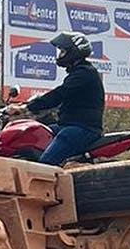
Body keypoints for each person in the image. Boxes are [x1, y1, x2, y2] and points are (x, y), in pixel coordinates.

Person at [10, 33, 105, 165]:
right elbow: (58, 97)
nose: (60, 54)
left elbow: (59, 95)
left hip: (82, 129)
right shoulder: (79, 72)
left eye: (63, 51)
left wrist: (26, 108)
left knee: (45, 164)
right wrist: (29, 106)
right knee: (36, 132)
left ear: (73, 53)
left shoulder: (84, 74)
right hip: (67, 125)